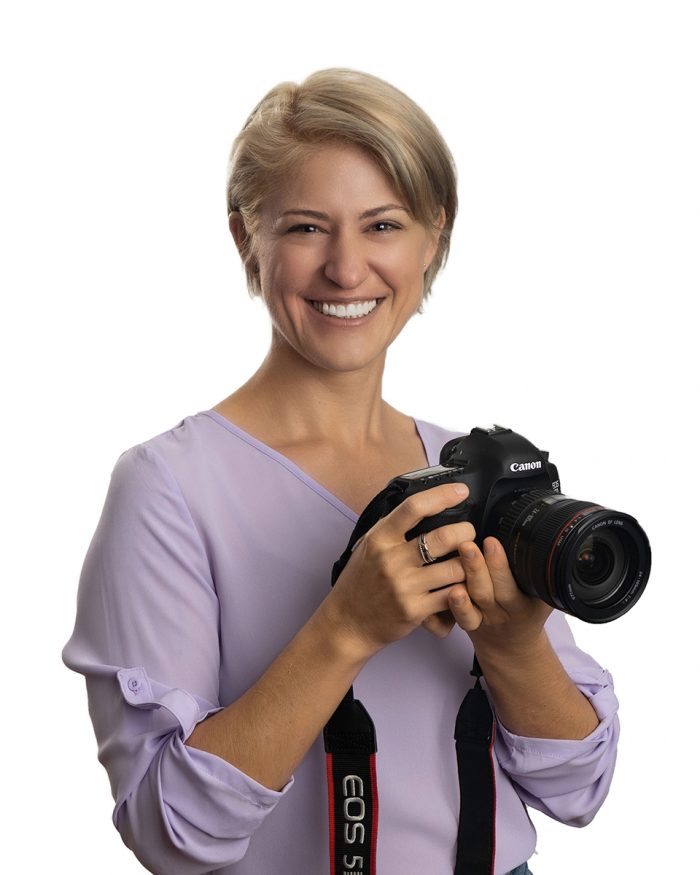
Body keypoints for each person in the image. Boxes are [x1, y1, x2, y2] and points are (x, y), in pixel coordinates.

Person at [63, 68, 619, 875]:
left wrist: (513, 642)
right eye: (306, 228)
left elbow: (579, 789)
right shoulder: (169, 486)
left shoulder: (473, 468)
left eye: (384, 225)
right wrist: (347, 625)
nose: (348, 269)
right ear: (243, 236)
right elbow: (172, 833)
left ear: (434, 237)